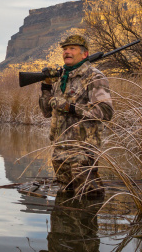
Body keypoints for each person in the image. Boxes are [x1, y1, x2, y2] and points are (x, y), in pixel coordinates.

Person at [39, 34, 113, 195]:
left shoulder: (94, 76)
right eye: (65, 49)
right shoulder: (61, 79)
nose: (67, 52)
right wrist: (46, 86)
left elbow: (105, 111)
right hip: (59, 151)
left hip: (82, 151)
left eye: (72, 48)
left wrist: (71, 107)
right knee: (64, 202)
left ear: (84, 54)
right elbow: (46, 112)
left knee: (88, 198)